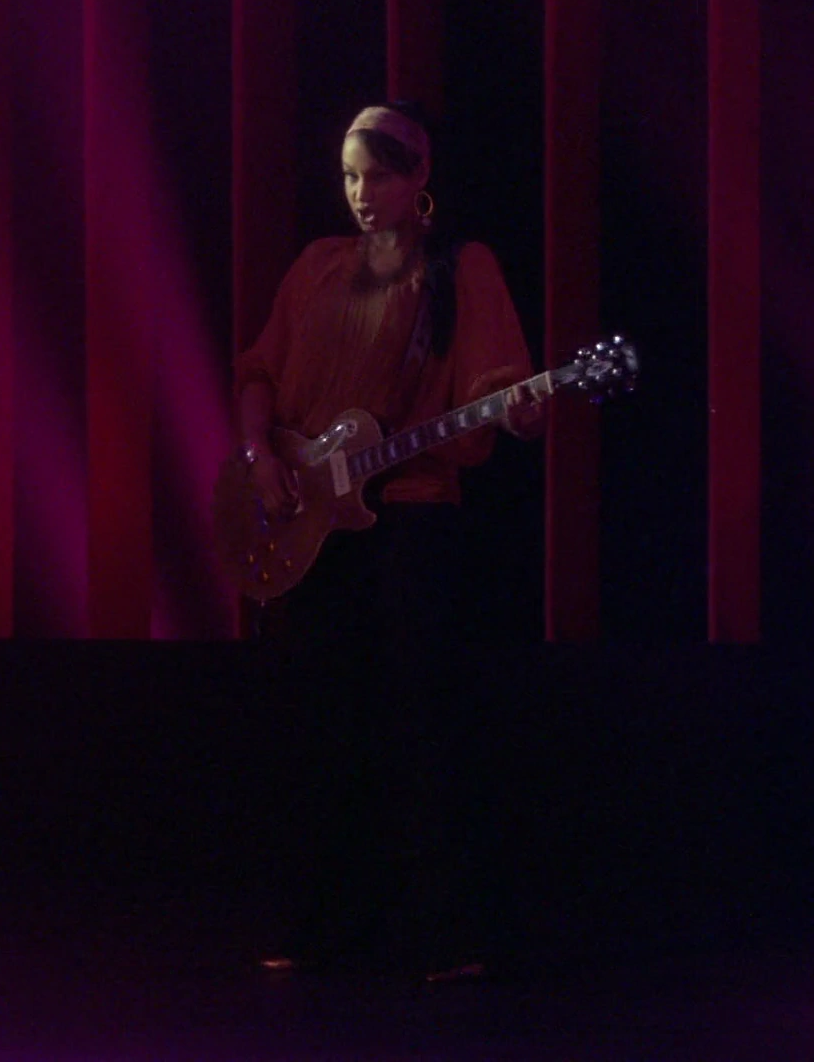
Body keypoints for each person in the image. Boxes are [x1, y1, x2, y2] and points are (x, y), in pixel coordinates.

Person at [231, 101, 543, 982]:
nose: (361, 193)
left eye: (377, 176)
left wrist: (518, 407)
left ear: (419, 178)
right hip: (312, 520)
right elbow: (259, 371)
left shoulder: (458, 266)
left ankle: (444, 931)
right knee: (316, 718)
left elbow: (495, 386)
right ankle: (317, 919)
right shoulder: (317, 267)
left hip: (409, 510)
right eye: (349, 177)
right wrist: (260, 456)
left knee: (419, 721)